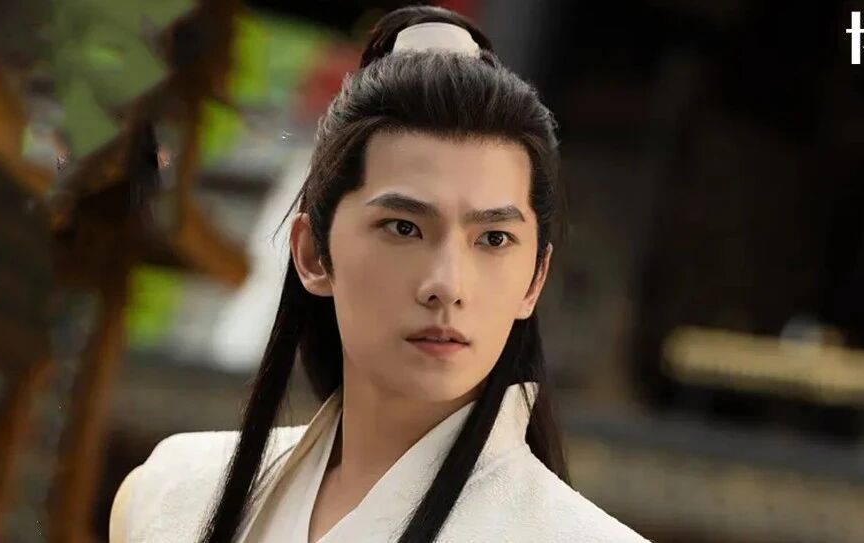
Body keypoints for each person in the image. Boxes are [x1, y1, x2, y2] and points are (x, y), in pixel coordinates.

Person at [108, 6, 649, 542]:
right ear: (312, 254)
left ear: (535, 280)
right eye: (404, 228)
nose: (447, 285)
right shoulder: (170, 496)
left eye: (493, 239)